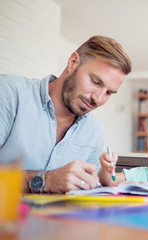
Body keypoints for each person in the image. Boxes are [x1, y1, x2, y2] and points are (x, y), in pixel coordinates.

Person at [0, 35, 132, 193]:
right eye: (96, 82)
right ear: (73, 62)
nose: (98, 99)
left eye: (109, 92)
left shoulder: (94, 130)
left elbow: (91, 188)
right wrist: (45, 180)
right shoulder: (9, 93)